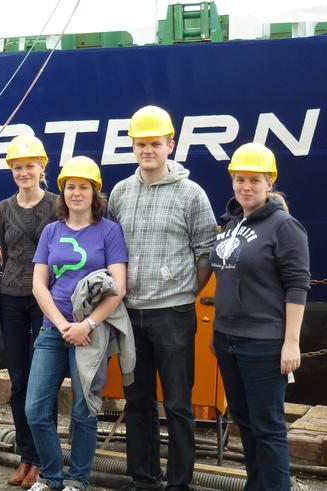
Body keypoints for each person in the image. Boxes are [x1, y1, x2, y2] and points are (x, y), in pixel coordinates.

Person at [107, 105, 217, 490]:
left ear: (170, 144)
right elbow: (112, 248)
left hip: (173, 314)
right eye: (141, 143)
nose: (147, 150)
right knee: (137, 404)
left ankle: (179, 483)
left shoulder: (191, 194)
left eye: (155, 143)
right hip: (130, 315)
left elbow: (205, 252)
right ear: (133, 146)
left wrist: (185, 291)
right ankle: (144, 480)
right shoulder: (120, 192)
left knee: (177, 405)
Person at [25, 156, 128, 491]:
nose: (76, 193)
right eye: (71, 186)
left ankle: (78, 480)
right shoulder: (51, 231)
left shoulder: (109, 232)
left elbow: (118, 287)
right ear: (62, 192)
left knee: (84, 411)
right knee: (36, 409)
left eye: (84, 187)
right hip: (53, 330)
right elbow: (39, 284)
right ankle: (51, 476)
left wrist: (88, 325)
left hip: (91, 334)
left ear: (95, 192)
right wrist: (61, 324)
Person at [210, 143, 309, 490]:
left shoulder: (285, 227)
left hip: (263, 343)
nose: (246, 187)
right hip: (226, 339)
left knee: (268, 426)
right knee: (245, 423)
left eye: (254, 180)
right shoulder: (233, 222)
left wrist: (291, 343)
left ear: (270, 182)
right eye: (240, 179)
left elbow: (297, 285)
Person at [0, 134, 57, 488]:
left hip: (46, 301)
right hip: (12, 299)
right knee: (19, 380)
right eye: (18, 167)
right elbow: (8, 251)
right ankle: (26, 456)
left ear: (42, 167)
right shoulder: (3, 208)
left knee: (42, 381)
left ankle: (42, 460)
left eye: (29, 166)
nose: (24, 172)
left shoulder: (57, 205)